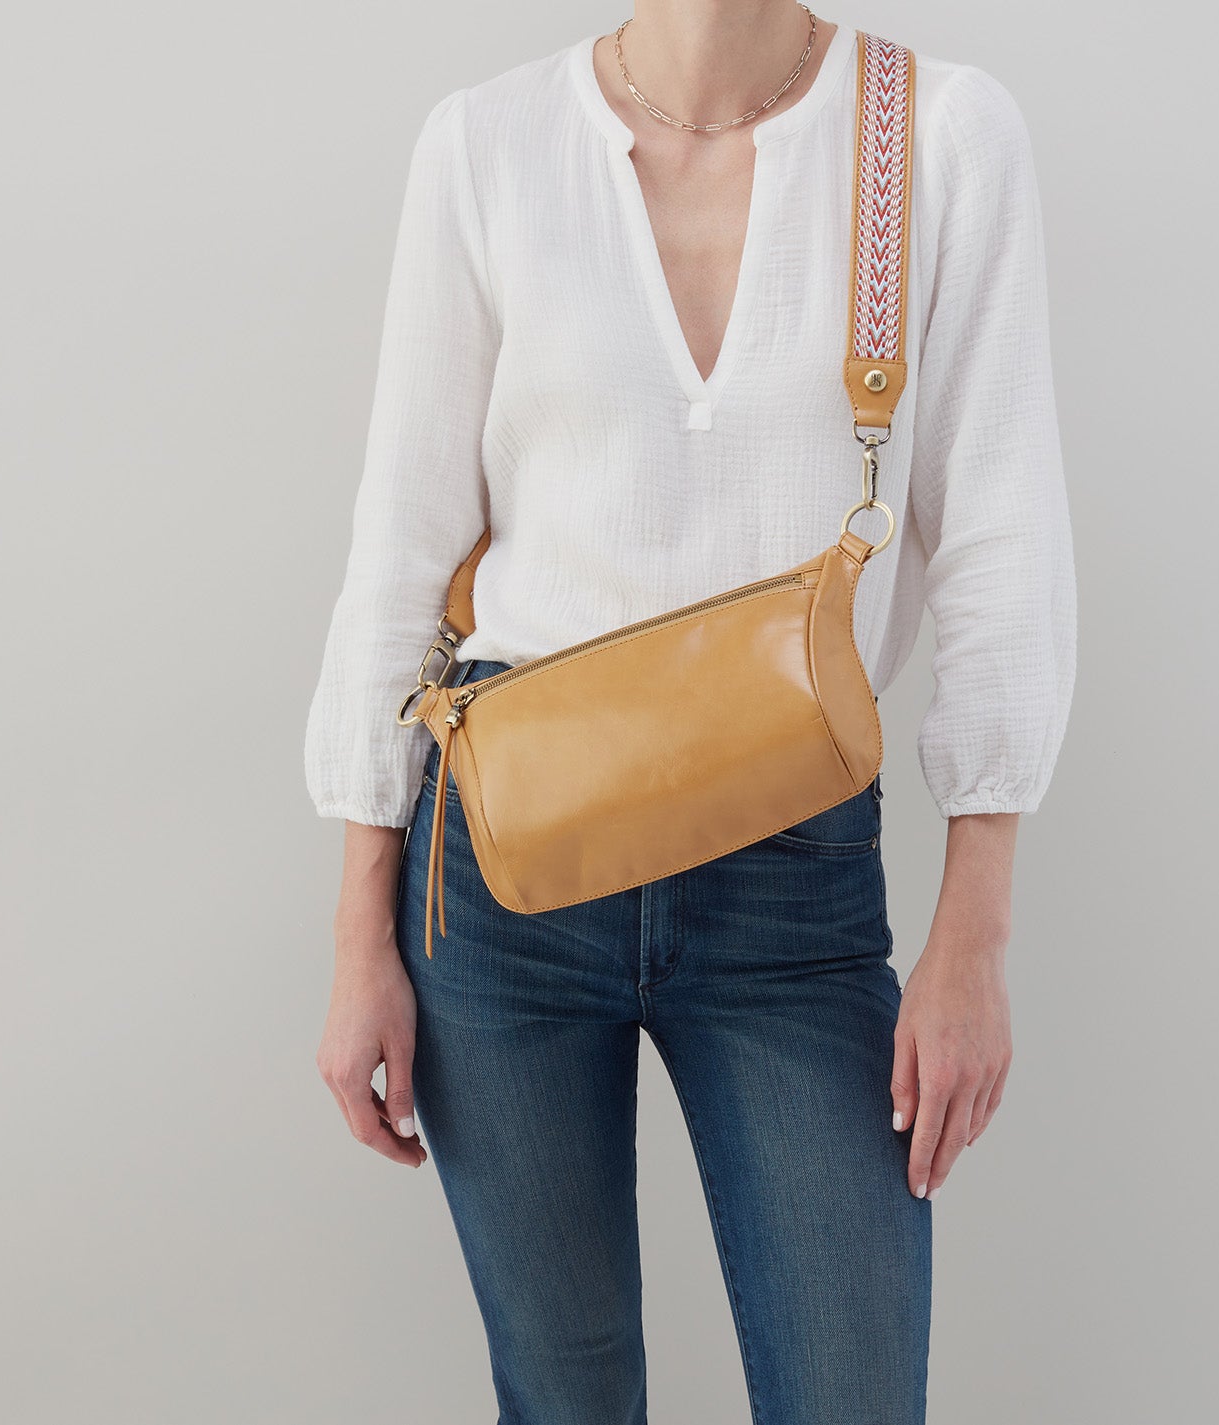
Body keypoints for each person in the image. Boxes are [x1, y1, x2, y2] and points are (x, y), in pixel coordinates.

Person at [303, 3, 1076, 1420]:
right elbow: (401, 550)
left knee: (849, 1392)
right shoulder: (487, 145)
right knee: (565, 1397)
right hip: (503, 873)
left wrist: (974, 935)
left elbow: (1001, 539)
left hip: (792, 881)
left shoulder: (934, 135)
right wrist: (362, 937)